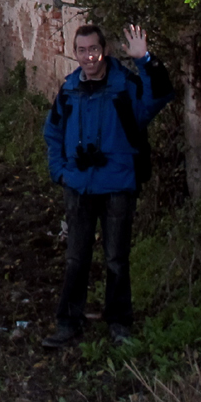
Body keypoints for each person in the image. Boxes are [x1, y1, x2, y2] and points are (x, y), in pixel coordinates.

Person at [41, 23, 174, 348]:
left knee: (116, 257)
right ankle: (69, 323)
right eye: (83, 50)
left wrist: (144, 60)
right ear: (76, 53)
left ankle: (119, 323)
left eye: (94, 49)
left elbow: (158, 97)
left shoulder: (124, 86)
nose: (89, 57)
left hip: (117, 184)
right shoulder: (69, 89)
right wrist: (60, 172)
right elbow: (53, 132)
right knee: (76, 258)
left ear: (106, 51)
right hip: (79, 186)